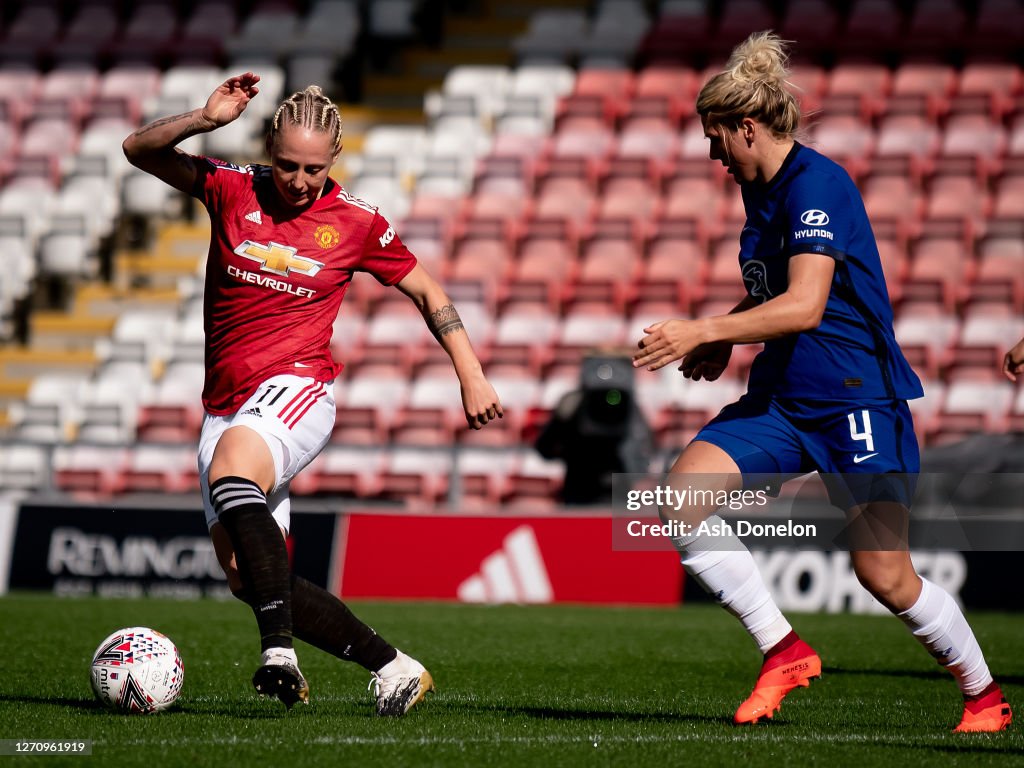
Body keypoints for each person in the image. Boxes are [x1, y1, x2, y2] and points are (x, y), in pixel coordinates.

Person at [632, 32, 1012, 733]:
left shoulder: (819, 186)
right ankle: (783, 650)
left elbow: (807, 304)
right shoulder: (763, 190)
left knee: (884, 575)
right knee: (678, 498)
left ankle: (984, 694)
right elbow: (779, 295)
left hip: (857, 401)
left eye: (717, 139)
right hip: (783, 401)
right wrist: (727, 331)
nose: (713, 156)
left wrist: (705, 330)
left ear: (747, 127)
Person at [122, 73, 503, 714]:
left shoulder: (357, 222)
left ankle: (277, 654)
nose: (299, 181)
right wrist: (203, 120)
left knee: (232, 470)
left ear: (335, 160)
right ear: (269, 149)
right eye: (287, 165)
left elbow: (429, 292)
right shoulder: (230, 187)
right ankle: (396, 668)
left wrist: (472, 373)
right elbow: (139, 151)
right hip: (224, 401)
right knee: (249, 577)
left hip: (299, 386)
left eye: (313, 169)